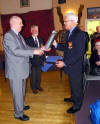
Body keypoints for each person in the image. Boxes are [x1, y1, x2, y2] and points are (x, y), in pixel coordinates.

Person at [3, 16, 44, 121]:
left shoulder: (19, 36)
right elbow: (16, 51)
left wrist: (39, 49)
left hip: (21, 69)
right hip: (15, 70)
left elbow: (26, 48)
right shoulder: (8, 36)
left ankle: (21, 105)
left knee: (21, 90)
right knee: (17, 93)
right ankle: (18, 113)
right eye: (21, 23)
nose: (23, 25)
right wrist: (34, 52)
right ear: (14, 24)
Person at [53, 13, 86, 114]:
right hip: (71, 65)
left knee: (76, 86)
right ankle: (73, 98)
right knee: (72, 84)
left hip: (75, 66)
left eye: (65, 21)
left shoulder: (79, 34)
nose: (64, 23)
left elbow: (79, 54)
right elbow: (68, 48)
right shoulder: (71, 33)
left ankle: (77, 105)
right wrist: (57, 45)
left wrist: (65, 63)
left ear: (72, 22)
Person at [26, 25, 45, 94]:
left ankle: (38, 86)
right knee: (33, 76)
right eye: (34, 29)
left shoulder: (40, 39)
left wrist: (44, 60)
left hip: (39, 60)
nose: (36, 31)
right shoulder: (27, 40)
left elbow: (43, 50)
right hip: (32, 61)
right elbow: (27, 51)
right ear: (31, 31)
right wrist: (28, 62)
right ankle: (33, 88)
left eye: (37, 29)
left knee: (38, 75)